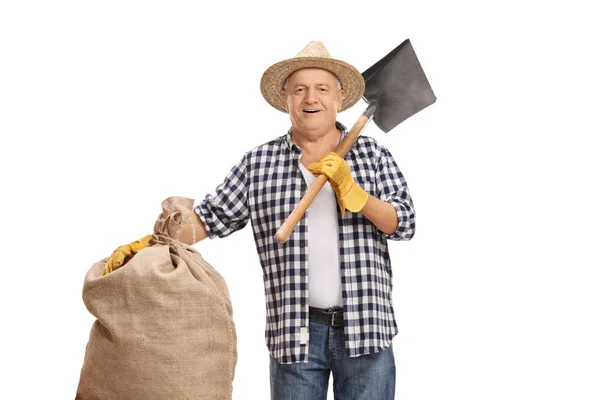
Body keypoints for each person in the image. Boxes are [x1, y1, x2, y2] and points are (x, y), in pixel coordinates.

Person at [106, 41, 416, 400]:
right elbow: (208, 220)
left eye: (321, 89)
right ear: (286, 99)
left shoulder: (373, 155)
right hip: (295, 334)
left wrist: (356, 194)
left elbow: (404, 222)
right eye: (299, 89)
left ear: (338, 97)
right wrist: (151, 243)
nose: (310, 98)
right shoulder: (259, 164)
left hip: (367, 329)